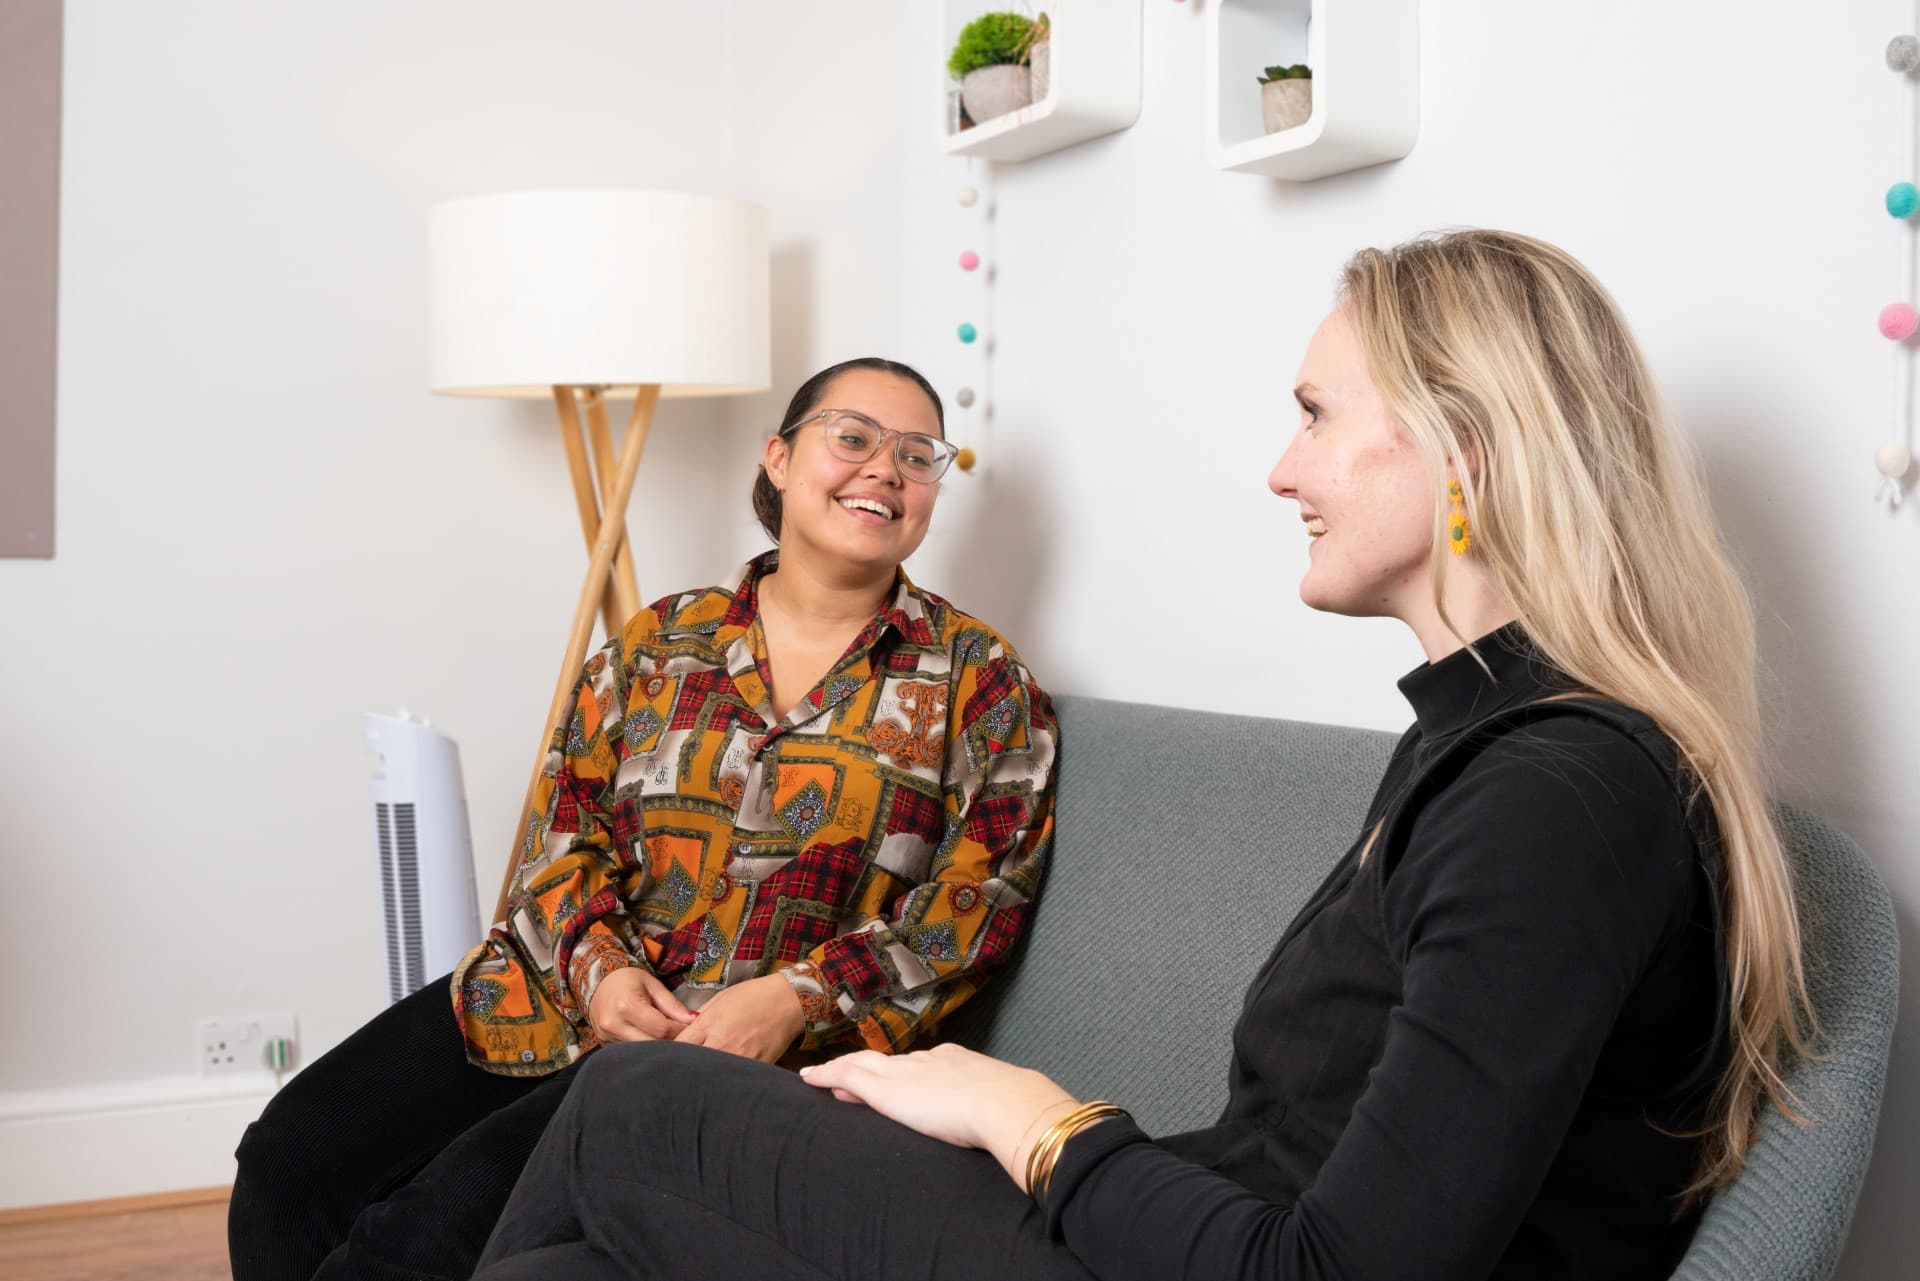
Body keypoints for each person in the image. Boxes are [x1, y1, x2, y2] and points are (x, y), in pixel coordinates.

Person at [469, 230, 1814, 1281]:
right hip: (1180, 1222)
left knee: (642, 1101)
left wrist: (1033, 1120)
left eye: (1316, 415)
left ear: (1464, 443)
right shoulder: (1484, 747)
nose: (1283, 472)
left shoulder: (1556, 804)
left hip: (1199, 1250)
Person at [227, 357, 1060, 1281]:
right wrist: (601, 971)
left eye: (917, 455)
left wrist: (795, 998)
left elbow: (978, 904)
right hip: (551, 993)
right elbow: (562, 833)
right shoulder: (659, 641)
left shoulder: (981, 682)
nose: (884, 470)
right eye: (853, 438)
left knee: (421, 1233)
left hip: (739, 1064)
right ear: (779, 459)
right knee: (284, 1164)